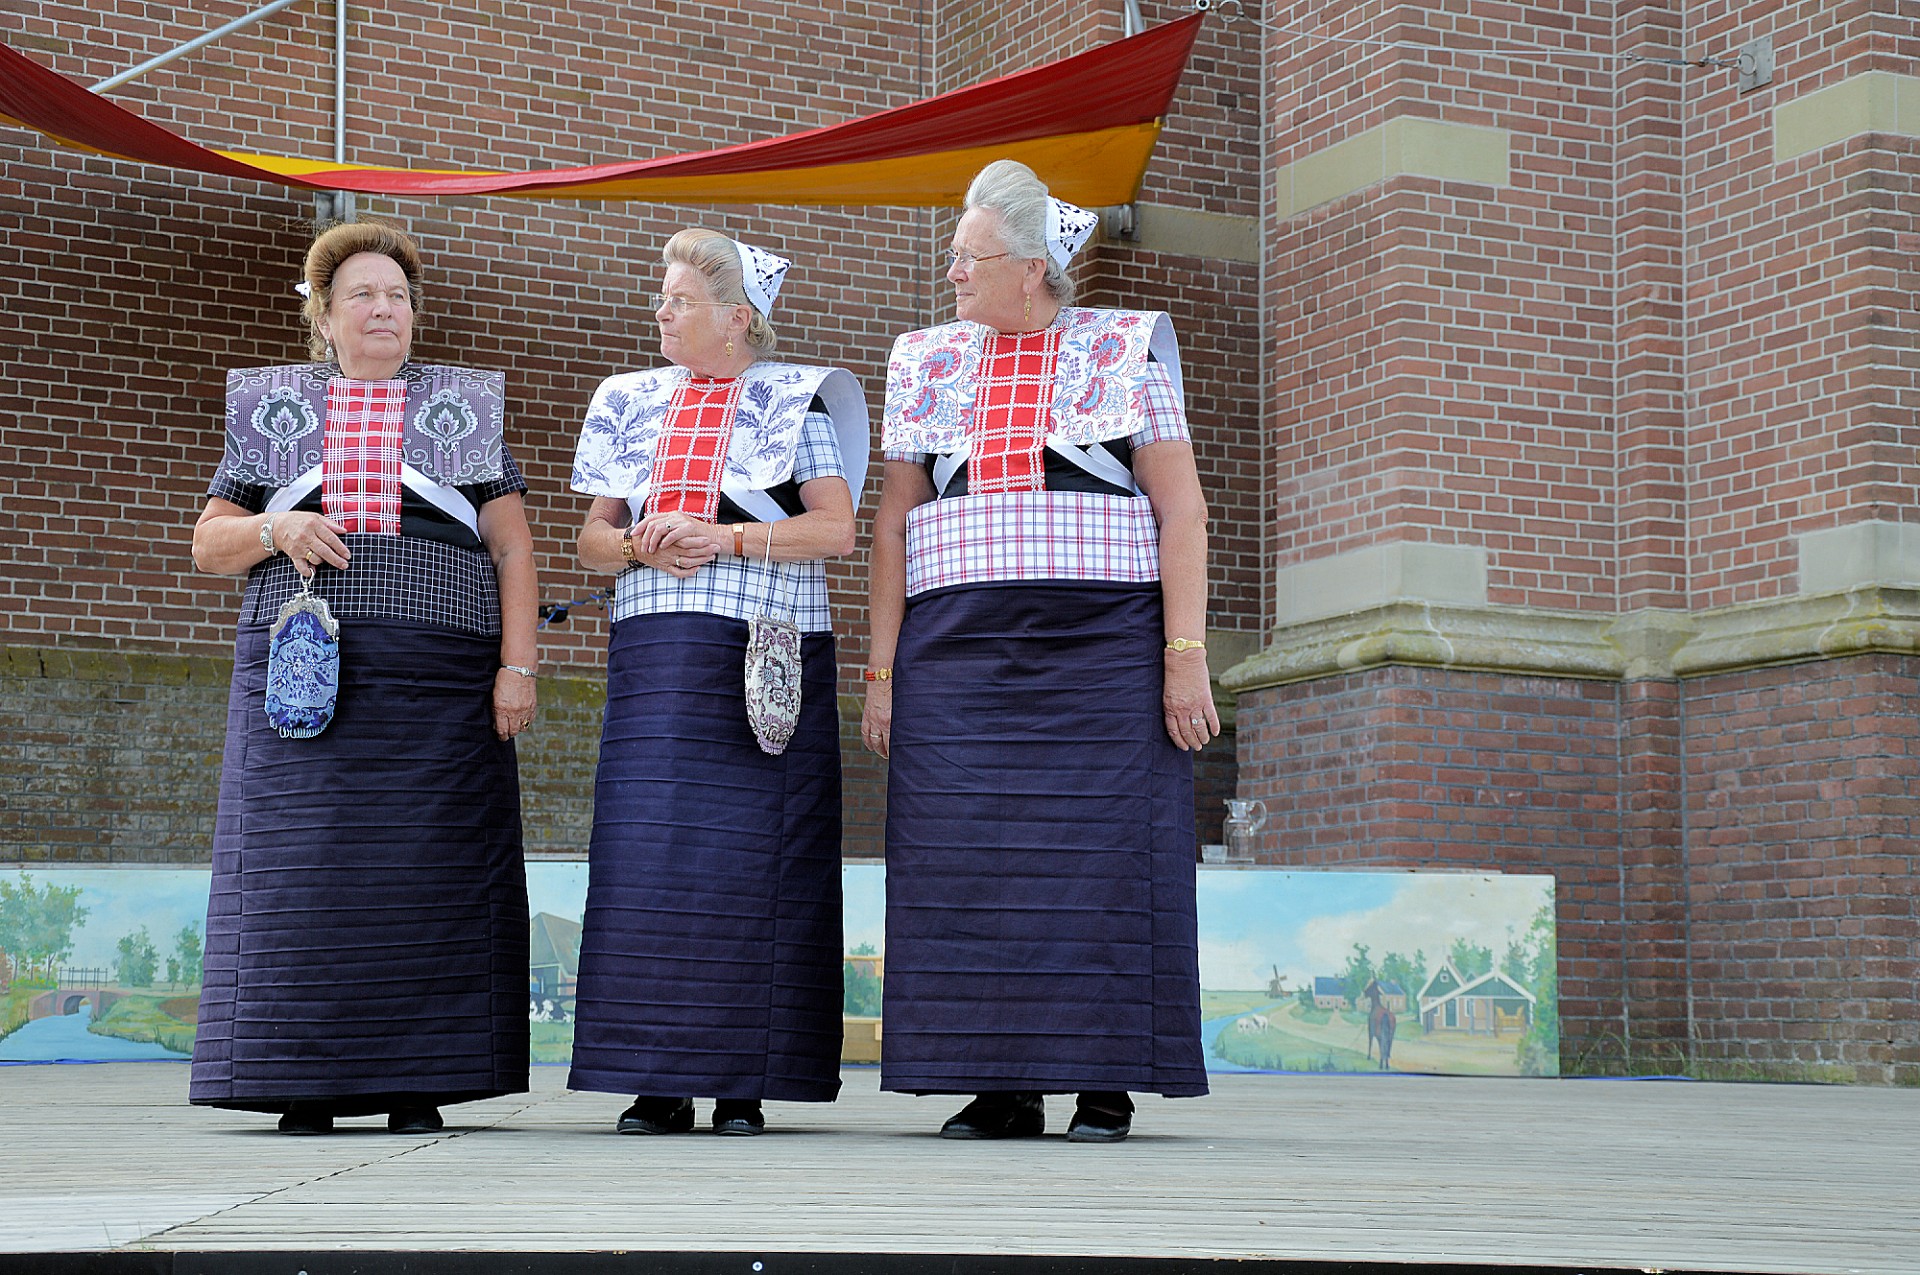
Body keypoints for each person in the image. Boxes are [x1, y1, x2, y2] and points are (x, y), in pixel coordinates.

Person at [864, 160, 1213, 1143]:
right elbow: (894, 523)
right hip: (957, 654)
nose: (952, 275)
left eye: (967, 258)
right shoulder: (924, 360)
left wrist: (1182, 653)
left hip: (1101, 649)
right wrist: (884, 671)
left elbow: (1180, 508)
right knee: (966, 862)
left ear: (1028, 268)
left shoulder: (1126, 348)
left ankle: (1105, 1083)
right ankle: (999, 1083)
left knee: (1102, 857)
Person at [189, 221, 537, 1136]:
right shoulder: (272, 411)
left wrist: (517, 667)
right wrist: (278, 529)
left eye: (398, 296)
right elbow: (207, 542)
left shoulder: (467, 410)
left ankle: (418, 1079)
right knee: (300, 879)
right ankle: (303, 1082)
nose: (385, 309)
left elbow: (512, 547)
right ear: (327, 317)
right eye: (363, 296)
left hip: (442, 686)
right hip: (299, 685)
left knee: (428, 879)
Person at [567, 229, 868, 1136]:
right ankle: (657, 1079)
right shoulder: (629, 402)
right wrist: (636, 544)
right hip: (657, 659)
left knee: (755, 867)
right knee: (648, 860)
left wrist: (719, 535)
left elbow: (837, 531)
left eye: (680, 299)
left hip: (765, 655)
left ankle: (745, 1082)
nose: (661, 311)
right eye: (661, 297)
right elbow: (589, 541)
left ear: (737, 319)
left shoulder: (796, 402)